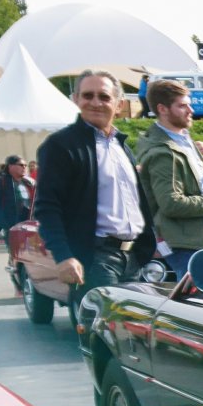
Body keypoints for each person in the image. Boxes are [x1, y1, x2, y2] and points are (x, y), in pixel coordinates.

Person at [33, 69, 153, 303]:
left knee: (133, 337)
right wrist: (63, 255)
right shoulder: (61, 145)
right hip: (96, 259)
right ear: (75, 99)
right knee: (104, 336)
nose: (96, 102)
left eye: (104, 97)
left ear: (118, 105)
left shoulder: (122, 148)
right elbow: (47, 207)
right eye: (88, 95)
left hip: (133, 259)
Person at [134, 78, 203, 279]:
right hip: (186, 246)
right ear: (162, 109)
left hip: (201, 241)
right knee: (199, 302)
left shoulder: (181, 139)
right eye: (182, 106)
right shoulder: (163, 153)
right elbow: (171, 203)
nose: (191, 110)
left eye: (189, 104)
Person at [0, 155, 35, 249]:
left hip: (29, 227)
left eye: (25, 165)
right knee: (17, 256)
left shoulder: (27, 182)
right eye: (21, 165)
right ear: (10, 166)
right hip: (12, 228)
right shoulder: (0, 182)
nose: (24, 167)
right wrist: (6, 225)